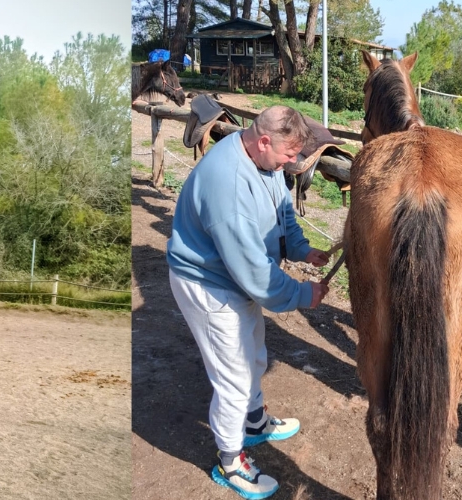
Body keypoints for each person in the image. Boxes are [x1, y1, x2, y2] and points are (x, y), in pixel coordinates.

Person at [166, 105, 331, 499]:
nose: (293, 163)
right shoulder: (229, 185)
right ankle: (229, 461)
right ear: (262, 140)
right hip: (210, 283)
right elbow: (256, 274)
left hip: (234, 275)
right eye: (289, 154)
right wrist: (303, 294)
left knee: (254, 353)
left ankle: (253, 423)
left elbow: (281, 209)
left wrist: (301, 248)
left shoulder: (267, 163)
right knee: (234, 378)